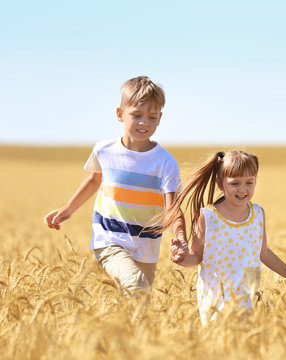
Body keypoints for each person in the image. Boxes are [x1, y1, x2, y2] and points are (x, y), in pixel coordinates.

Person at [44, 76, 187, 295]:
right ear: (120, 114)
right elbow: (94, 180)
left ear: (160, 119)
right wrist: (67, 210)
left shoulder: (165, 162)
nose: (144, 122)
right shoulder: (104, 150)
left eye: (152, 117)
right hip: (109, 238)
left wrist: (180, 237)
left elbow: (172, 208)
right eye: (137, 115)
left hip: (147, 245)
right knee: (137, 286)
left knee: (139, 304)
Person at [162, 150, 286, 324]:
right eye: (234, 183)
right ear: (220, 184)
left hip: (248, 299)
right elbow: (196, 256)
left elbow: (264, 253)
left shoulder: (258, 214)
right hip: (215, 301)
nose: (242, 189)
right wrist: (182, 258)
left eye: (249, 182)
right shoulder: (209, 217)